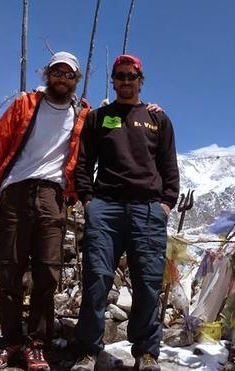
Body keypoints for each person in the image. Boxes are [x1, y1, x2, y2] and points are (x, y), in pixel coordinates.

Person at [0, 52, 163, 371]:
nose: (61, 79)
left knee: (47, 272)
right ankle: (9, 342)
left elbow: (127, 132)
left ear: (76, 80)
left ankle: (37, 344)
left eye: (68, 75)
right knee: (9, 269)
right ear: (47, 74)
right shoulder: (25, 104)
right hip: (16, 191)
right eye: (57, 73)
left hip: (53, 196)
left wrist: (152, 110)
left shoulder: (83, 114)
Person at [71, 54, 179, 371]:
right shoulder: (98, 118)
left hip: (148, 210)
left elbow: (169, 167)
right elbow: (83, 163)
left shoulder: (158, 119)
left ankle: (146, 353)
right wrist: (88, 201)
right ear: (114, 80)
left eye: (131, 75)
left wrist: (166, 204)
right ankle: (88, 350)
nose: (126, 81)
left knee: (147, 283)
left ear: (140, 79)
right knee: (97, 278)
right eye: (120, 76)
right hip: (105, 207)